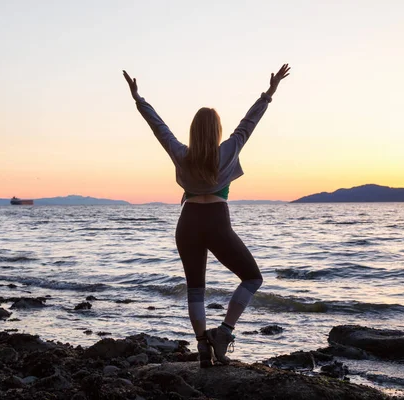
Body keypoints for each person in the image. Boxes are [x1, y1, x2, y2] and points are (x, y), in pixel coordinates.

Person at [123, 64, 290, 367]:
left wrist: (139, 99)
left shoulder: (180, 152)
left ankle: (202, 344)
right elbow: (248, 123)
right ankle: (224, 333)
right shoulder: (228, 150)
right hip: (216, 221)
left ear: (193, 130)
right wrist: (269, 92)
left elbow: (159, 127)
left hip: (187, 223)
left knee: (195, 289)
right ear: (217, 131)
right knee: (252, 278)